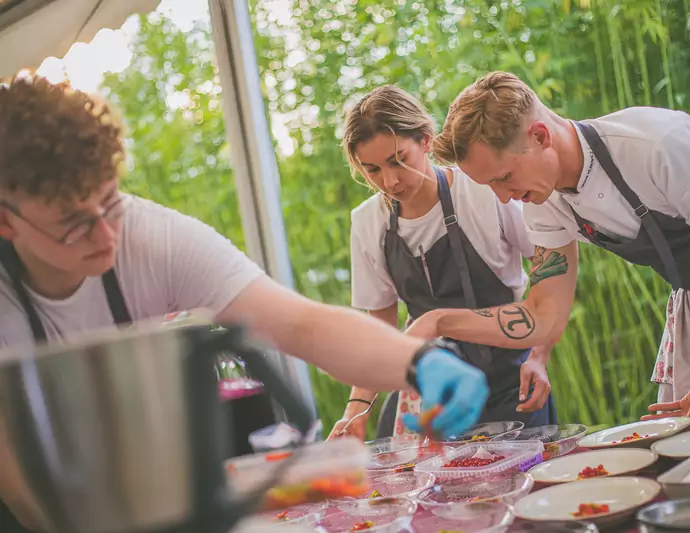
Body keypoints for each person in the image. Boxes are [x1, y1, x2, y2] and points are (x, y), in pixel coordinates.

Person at [0, 75, 489, 532]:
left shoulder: (151, 237)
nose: (106, 235)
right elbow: (14, 469)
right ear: (7, 222)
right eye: (74, 222)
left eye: (109, 200)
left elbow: (299, 324)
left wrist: (419, 361)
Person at [408, 71, 690, 428]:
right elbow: (544, 315)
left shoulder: (656, 146)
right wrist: (440, 321)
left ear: (540, 136)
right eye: (490, 185)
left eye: (505, 177)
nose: (505, 198)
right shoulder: (542, 202)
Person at [327, 86, 557, 441]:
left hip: (512, 388)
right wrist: (356, 411)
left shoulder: (485, 189)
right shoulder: (367, 223)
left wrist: (539, 357)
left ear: (426, 140)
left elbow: (551, 277)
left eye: (398, 160)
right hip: (426, 400)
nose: (389, 181)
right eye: (372, 169)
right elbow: (382, 333)